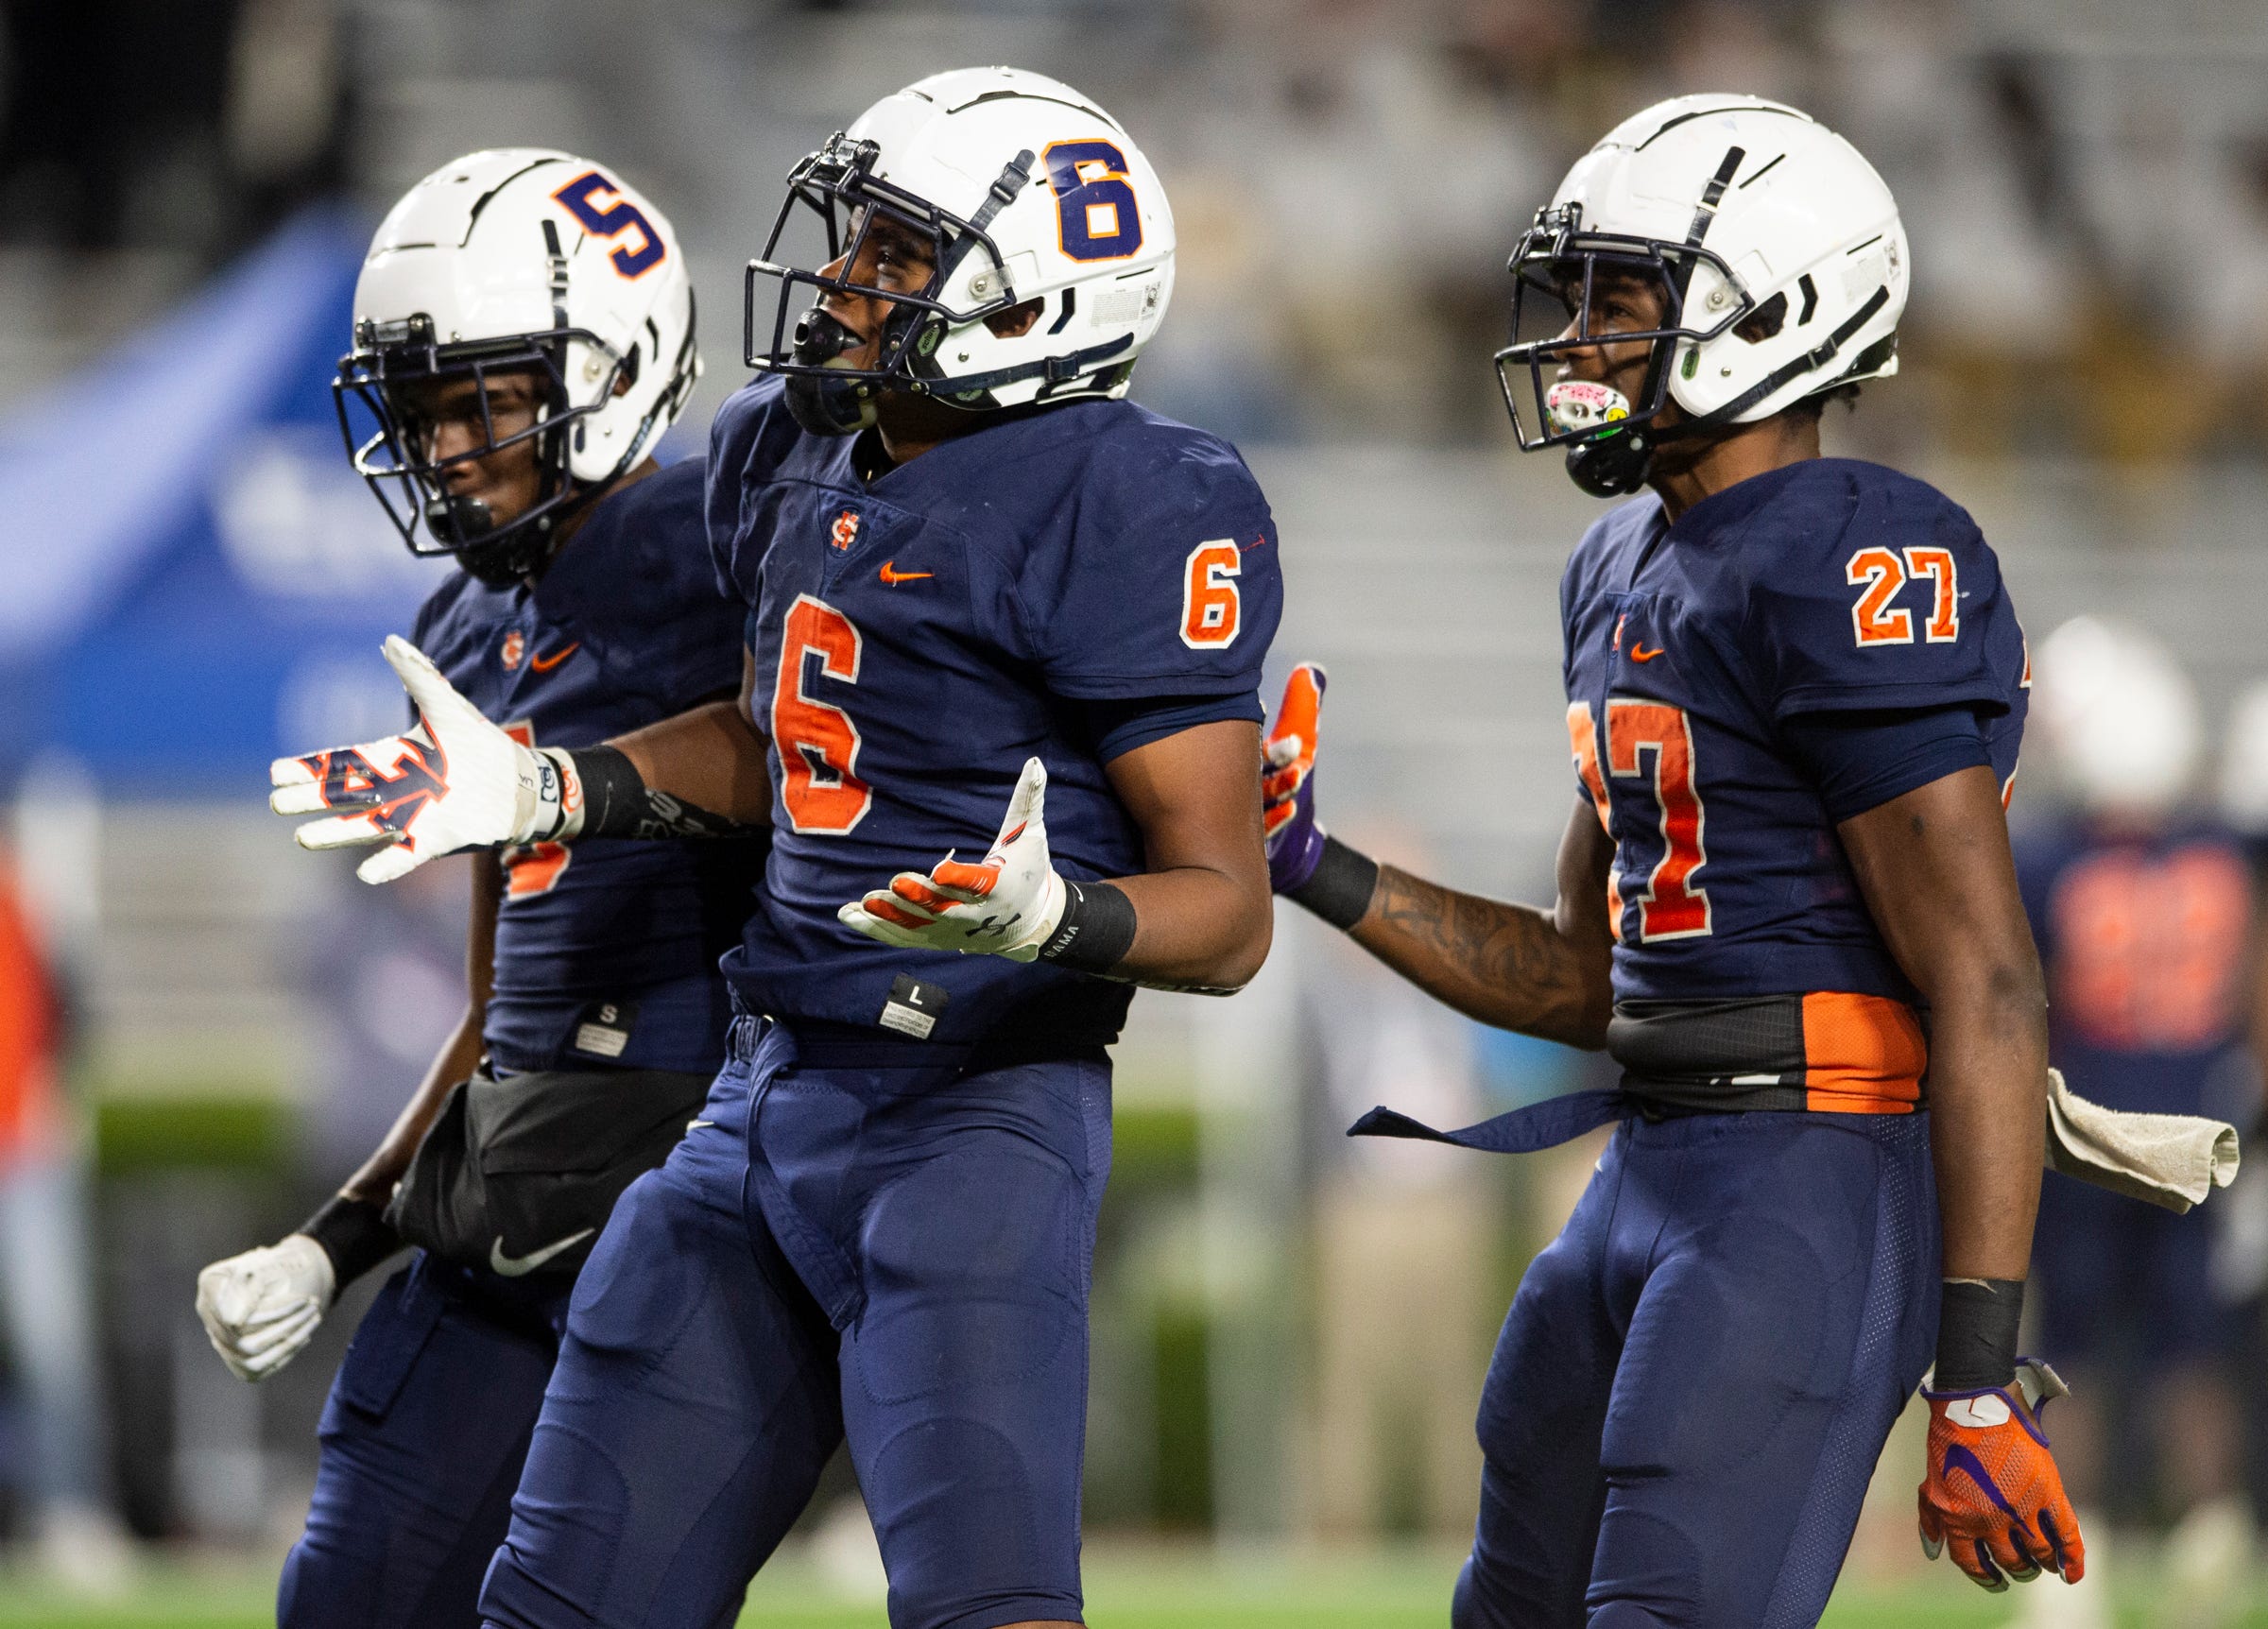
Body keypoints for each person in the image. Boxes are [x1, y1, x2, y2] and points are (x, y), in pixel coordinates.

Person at [266, 69, 1282, 1629]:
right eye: (854, 239)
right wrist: (555, 788)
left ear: (1025, 301)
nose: (841, 278)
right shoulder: (785, 449)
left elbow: (1226, 910)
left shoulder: (1136, 493)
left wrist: (1058, 914)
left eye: (892, 253)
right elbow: (771, 738)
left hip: (970, 1108)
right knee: (556, 1603)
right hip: (759, 1099)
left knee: (983, 1602)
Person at [1263, 94, 2076, 1624]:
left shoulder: (1851, 546)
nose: (1577, 340)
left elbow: (1984, 976)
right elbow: (1582, 972)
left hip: (1809, 1169)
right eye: (1576, 300)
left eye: (1620, 302)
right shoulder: (1620, 558)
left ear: (1778, 308)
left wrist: (1978, 1376)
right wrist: (1308, 857)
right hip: (1648, 1158)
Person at [195, 147, 761, 1629]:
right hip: (512, 1214)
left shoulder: (725, 543)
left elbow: (800, 761)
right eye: (420, 409)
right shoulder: (466, 621)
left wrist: (565, 784)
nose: (444, 448)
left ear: (614, 361)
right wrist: (342, 1233)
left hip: (697, 1210)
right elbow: (500, 1008)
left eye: (485, 401)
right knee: (350, 1604)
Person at [2014, 616, 2261, 1628]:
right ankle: (2211, 1533)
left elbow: (2019, 994)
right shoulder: (2226, 849)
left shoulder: (2056, 858)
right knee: (2185, 1346)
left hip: (2091, 1129)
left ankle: (2082, 1561)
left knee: (2072, 1351)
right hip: (2199, 1131)